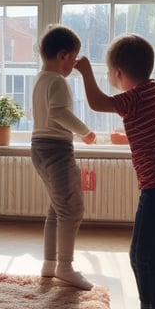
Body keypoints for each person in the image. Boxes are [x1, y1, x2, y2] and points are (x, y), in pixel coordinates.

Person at [75, 33, 155, 309]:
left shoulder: (136, 96)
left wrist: (85, 71)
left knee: (149, 255)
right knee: (140, 253)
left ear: (117, 74)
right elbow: (153, 133)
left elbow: (98, 103)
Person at [31, 24, 97, 290]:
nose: (74, 65)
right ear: (62, 56)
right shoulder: (58, 81)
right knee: (72, 210)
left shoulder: (41, 78)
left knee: (56, 209)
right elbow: (58, 113)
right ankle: (65, 267)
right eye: (73, 58)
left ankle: (49, 264)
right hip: (56, 149)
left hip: (38, 147)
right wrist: (85, 132)